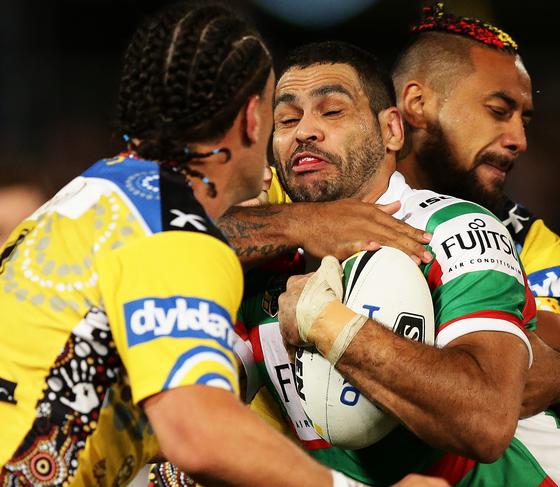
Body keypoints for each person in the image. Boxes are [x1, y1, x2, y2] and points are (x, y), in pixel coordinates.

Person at [0, 4, 441, 486]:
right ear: (253, 120)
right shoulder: (179, 233)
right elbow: (197, 431)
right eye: (280, 113)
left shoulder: (94, 192)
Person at [270, 41, 560, 485]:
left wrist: (328, 325)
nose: (305, 130)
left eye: (332, 111)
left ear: (392, 130)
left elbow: (485, 422)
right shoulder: (270, 261)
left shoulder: (457, 230)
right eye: (287, 119)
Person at [391, 2, 560, 438]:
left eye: (524, 119)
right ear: (417, 104)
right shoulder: (326, 190)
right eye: (498, 110)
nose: (519, 141)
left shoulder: (528, 238)